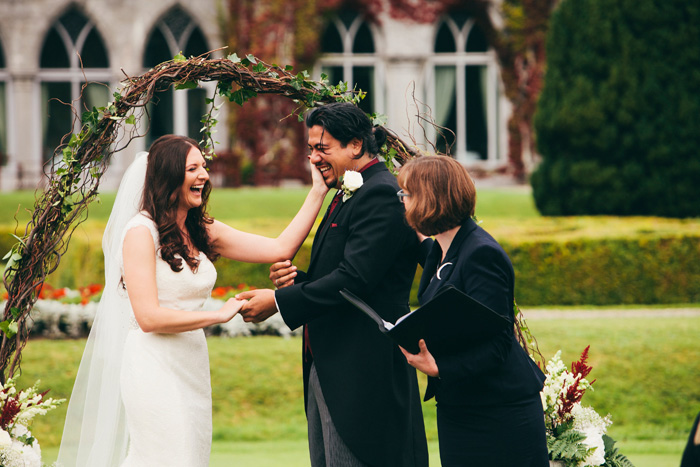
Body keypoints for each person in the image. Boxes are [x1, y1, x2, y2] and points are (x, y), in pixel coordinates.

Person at [57, 134, 329, 466]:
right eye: (192, 168)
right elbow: (149, 318)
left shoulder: (201, 229)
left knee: (192, 455)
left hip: (191, 362)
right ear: (169, 175)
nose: (204, 176)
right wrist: (219, 314)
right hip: (152, 363)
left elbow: (279, 248)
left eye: (204, 167)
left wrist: (319, 191)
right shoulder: (140, 233)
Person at [237, 102, 429, 467]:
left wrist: (280, 301)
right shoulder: (345, 191)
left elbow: (354, 279)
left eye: (322, 148)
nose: (313, 158)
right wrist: (299, 281)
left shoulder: (381, 193)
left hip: (363, 368)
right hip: (328, 364)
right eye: (310, 149)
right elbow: (350, 274)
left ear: (355, 145)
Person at [396, 155, 549, 467]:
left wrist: (440, 369)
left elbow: (498, 343)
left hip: (500, 411)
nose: (402, 201)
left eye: (407, 194)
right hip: (460, 404)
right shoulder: (442, 248)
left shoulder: (481, 254)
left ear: (430, 199)